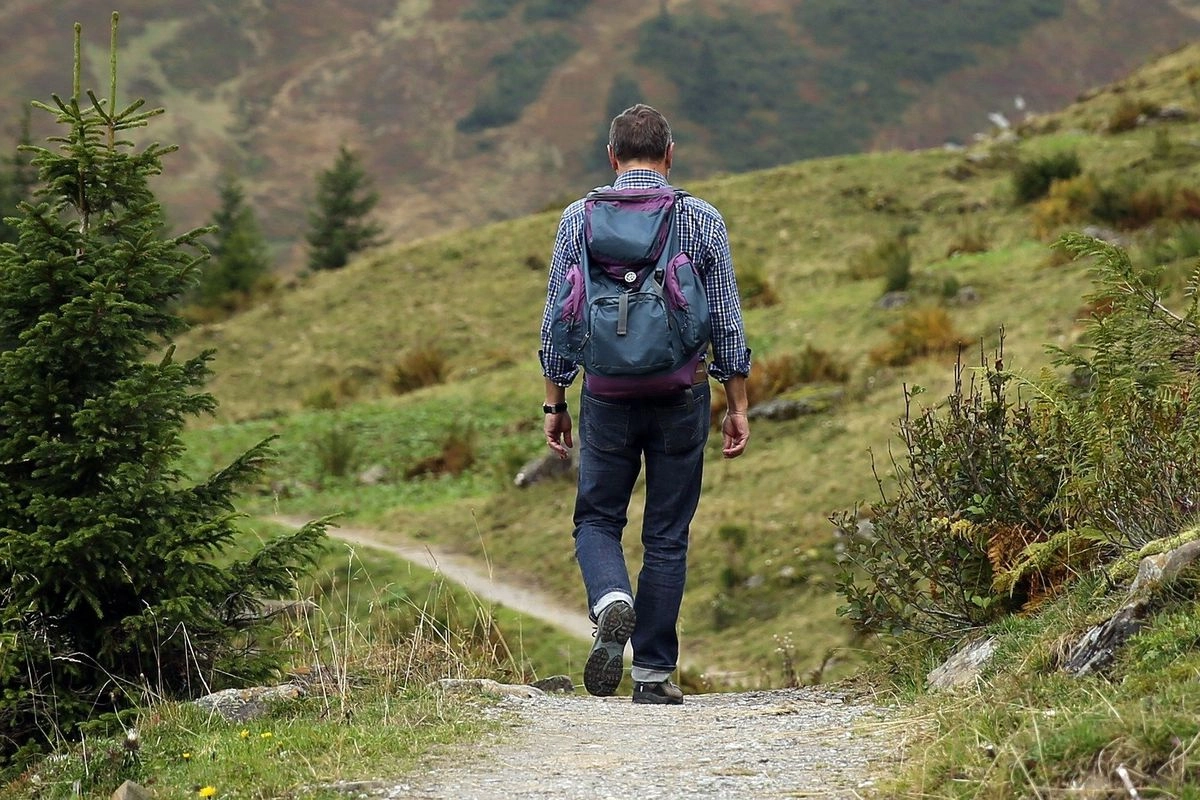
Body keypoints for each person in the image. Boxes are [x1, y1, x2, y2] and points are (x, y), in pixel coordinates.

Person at [538, 103, 751, 705]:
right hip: (681, 392)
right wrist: (736, 402)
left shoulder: (578, 219)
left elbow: (559, 316)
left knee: (598, 518)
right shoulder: (701, 219)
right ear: (669, 154)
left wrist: (555, 401)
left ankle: (611, 600)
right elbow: (727, 321)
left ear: (612, 157)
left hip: (605, 394)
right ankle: (653, 674)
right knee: (666, 533)